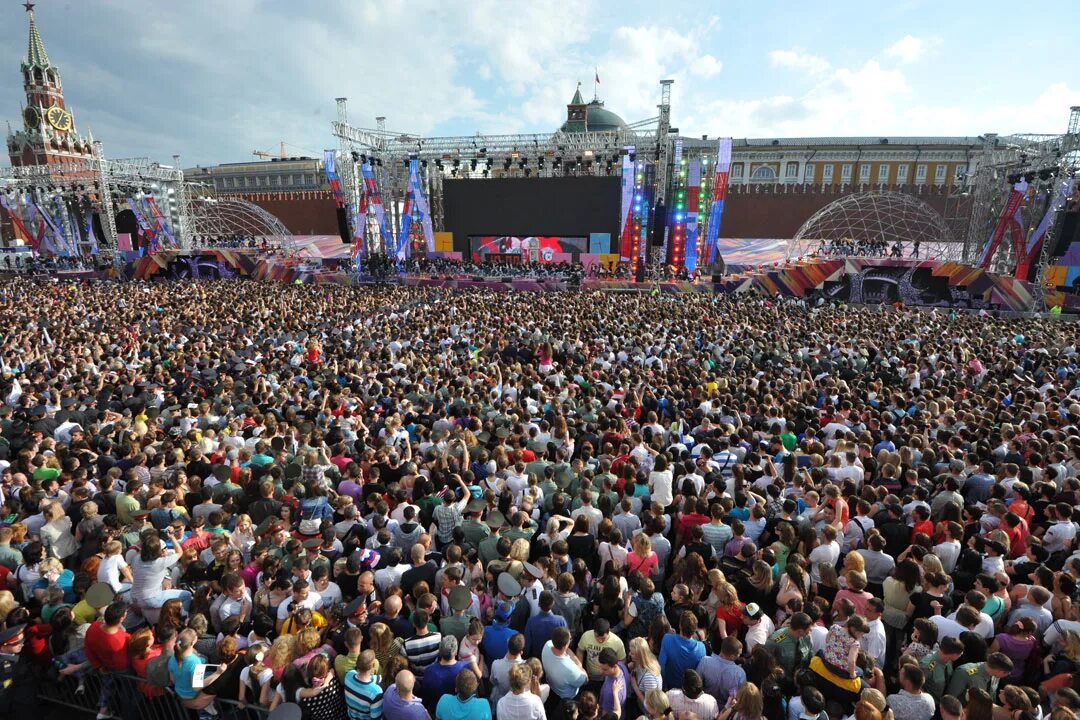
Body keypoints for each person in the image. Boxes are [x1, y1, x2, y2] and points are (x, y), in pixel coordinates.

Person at [344, 649, 384, 720]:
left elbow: (365, 677)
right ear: (373, 665)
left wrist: (378, 678)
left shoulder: (348, 675)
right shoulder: (376, 692)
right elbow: (376, 718)